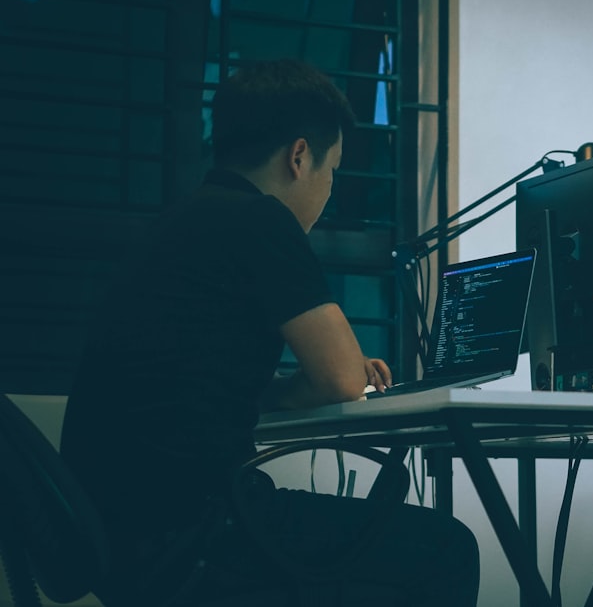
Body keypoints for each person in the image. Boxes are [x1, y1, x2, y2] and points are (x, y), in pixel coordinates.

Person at [60, 58, 480, 606]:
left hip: (119, 538)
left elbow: (198, 382)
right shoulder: (260, 220)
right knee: (448, 547)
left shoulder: (180, 222)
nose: (330, 193)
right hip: (197, 535)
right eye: (334, 172)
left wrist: (297, 383)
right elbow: (339, 381)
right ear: (299, 157)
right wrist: (345, 372)